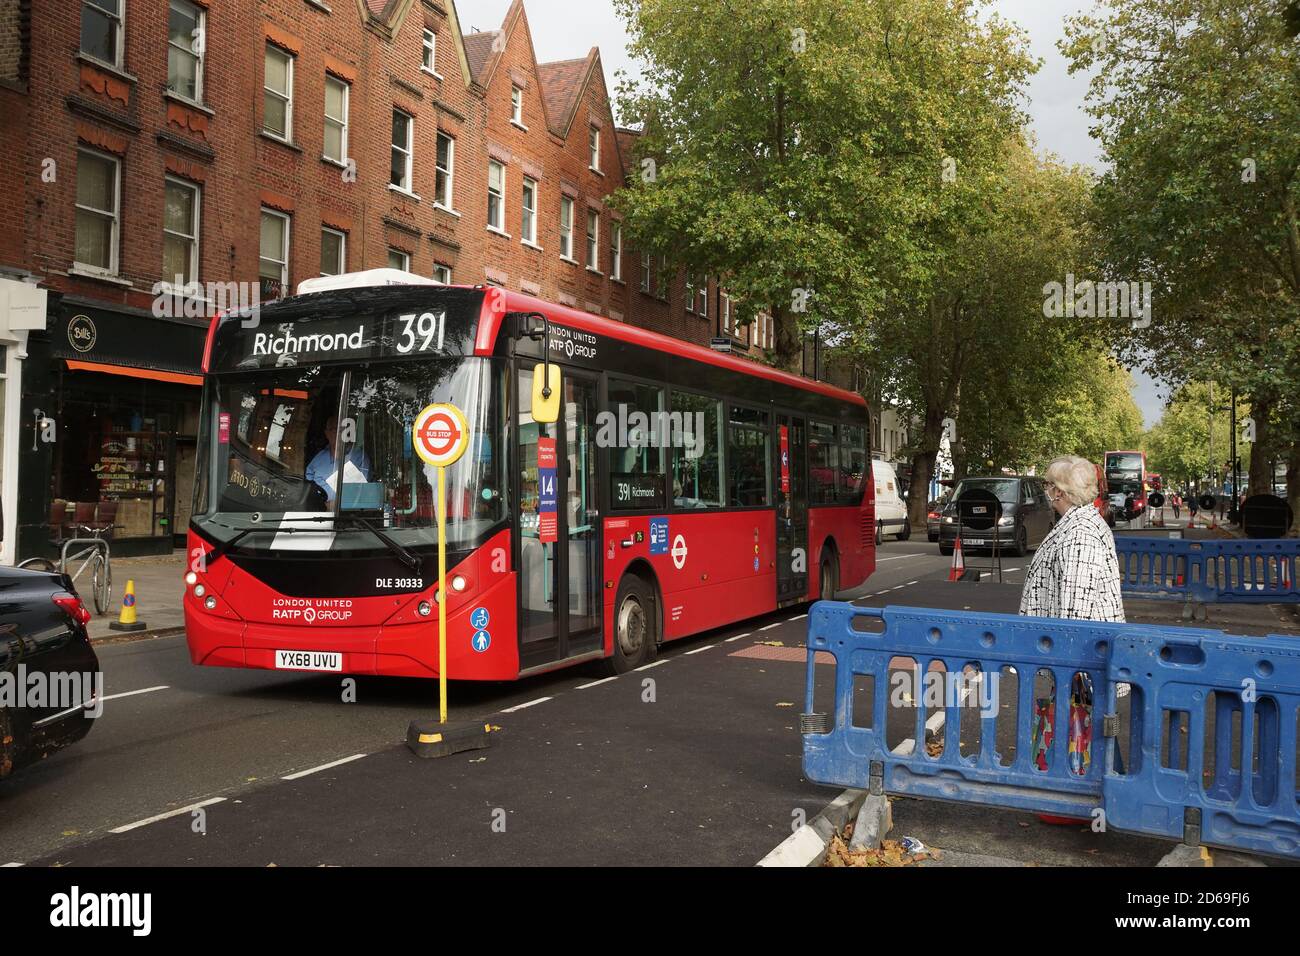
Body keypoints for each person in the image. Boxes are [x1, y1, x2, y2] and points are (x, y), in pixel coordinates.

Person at [1020, 455, 1125, 623]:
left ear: (1059, 491)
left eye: (1047, 484)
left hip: (1078, 644)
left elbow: (1076, 612)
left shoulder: (1081, 535)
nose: (1045, 490)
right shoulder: (1079, 523)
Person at [306, 413, 371, 505]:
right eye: (333, 429)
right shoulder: (318, 459)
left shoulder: (359, 457)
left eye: (341, 430)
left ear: (347, 432)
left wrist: (333, 502)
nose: (337, 433)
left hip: (348, 513)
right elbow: (307, 487)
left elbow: (361, 489)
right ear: (326, 433)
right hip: (316, 512)